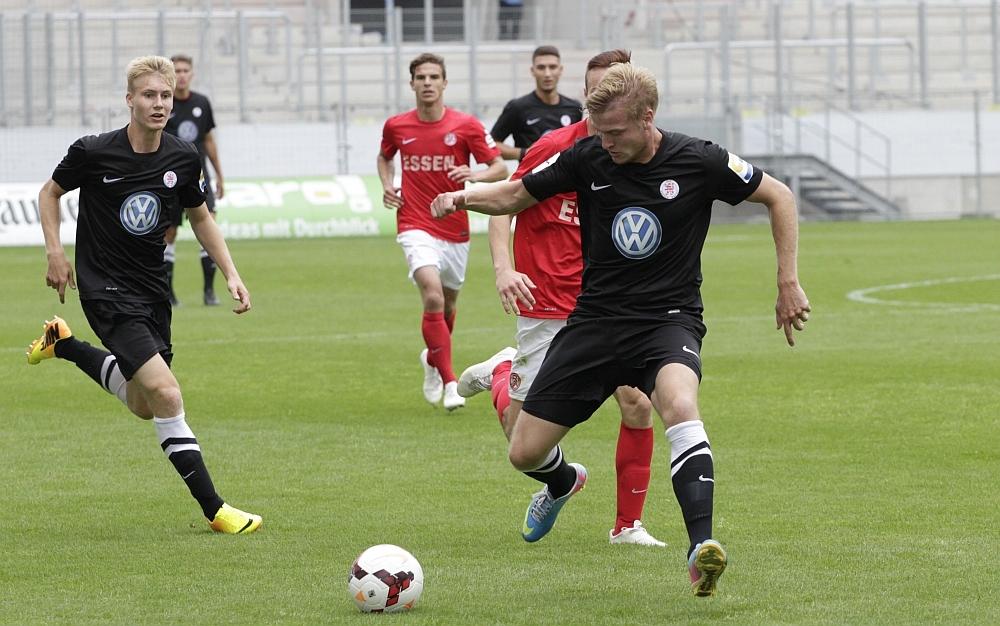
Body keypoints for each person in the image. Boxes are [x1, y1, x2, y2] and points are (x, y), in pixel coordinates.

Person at [432, 63, 811, 596]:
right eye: (599, 131)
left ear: (647, 117)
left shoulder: (700, 159)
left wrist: (787, 281)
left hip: (667, 321)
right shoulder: (587, 156)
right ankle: (525, 413)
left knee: (679, 404)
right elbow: (515, 195)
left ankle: (700, 547)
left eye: (614, 132)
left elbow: (779, 196)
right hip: (595, 324)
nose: (605, 141)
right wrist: (463, 196)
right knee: (524, 453)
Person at [28, 55, 261, 534]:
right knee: (167, 393)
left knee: (142, 403)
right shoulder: (93, 151)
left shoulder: (182, 157)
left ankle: (64, 344)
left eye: (165, 95)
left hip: (152, 293)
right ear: (130, 100)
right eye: (149, 95)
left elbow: (200, 217)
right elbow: (49, 193)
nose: (158, 104)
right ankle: (216, 510)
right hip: (105, 289)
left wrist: (231, 273)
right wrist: (55, 252)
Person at [458, 50, 664, 547]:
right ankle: (507, 378)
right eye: (595, 94)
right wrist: (504, 269)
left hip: (610, 304)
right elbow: (506, 202)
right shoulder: (555, 148)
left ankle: (627, 526)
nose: (601, 103)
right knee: (520, 438)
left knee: (637, 404)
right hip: (548, 302)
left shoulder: (635, 151)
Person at [377, 53, 508, 411]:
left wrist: (474, 175)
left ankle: (433, 359)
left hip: (454, 227)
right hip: (414, 222)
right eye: (421, 77)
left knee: (448, 304)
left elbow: (498, 167)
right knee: (432, 297)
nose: (428, 83)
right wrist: (388, 184)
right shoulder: (397, 126)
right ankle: (451, 382)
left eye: (434, 77)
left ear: (445, 83)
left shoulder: (466, 125)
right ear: (412, 84)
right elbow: (385, 156)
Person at [162, 53, 225, 307]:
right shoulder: (163, 103)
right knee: (169, 232)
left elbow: (208, 140)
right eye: (176, 71)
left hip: (199, 175)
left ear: (192, 74)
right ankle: (168, 293)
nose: (181, 75)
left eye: (185, 70)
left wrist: (219, 176)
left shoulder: (202, 103)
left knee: (210, 225)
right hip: (170, 177)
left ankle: (209, 291)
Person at [489, 46, 582, 162]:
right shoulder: (517, 107)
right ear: (533, 71)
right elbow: (491, 145)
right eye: (541, 68)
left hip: (565, 173)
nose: (547, 74)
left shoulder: (574, 108)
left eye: (552, 67)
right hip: (530, 173)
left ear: (560, 70)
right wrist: (525, 153)